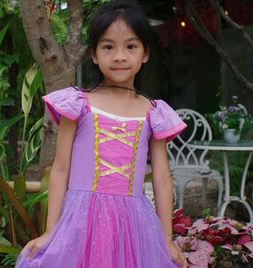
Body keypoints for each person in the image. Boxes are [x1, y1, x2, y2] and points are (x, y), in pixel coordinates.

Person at [16, 1, 188, 267]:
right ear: (94, 54)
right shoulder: (78, 104)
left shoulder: (154, 113)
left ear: (145, 53)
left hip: (133, 226)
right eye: (108, 47)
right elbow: (61, 170)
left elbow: (163, 179)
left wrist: (166, 240)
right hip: (80, 222)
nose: (119, 56)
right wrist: (50, 232)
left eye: (130, 46)